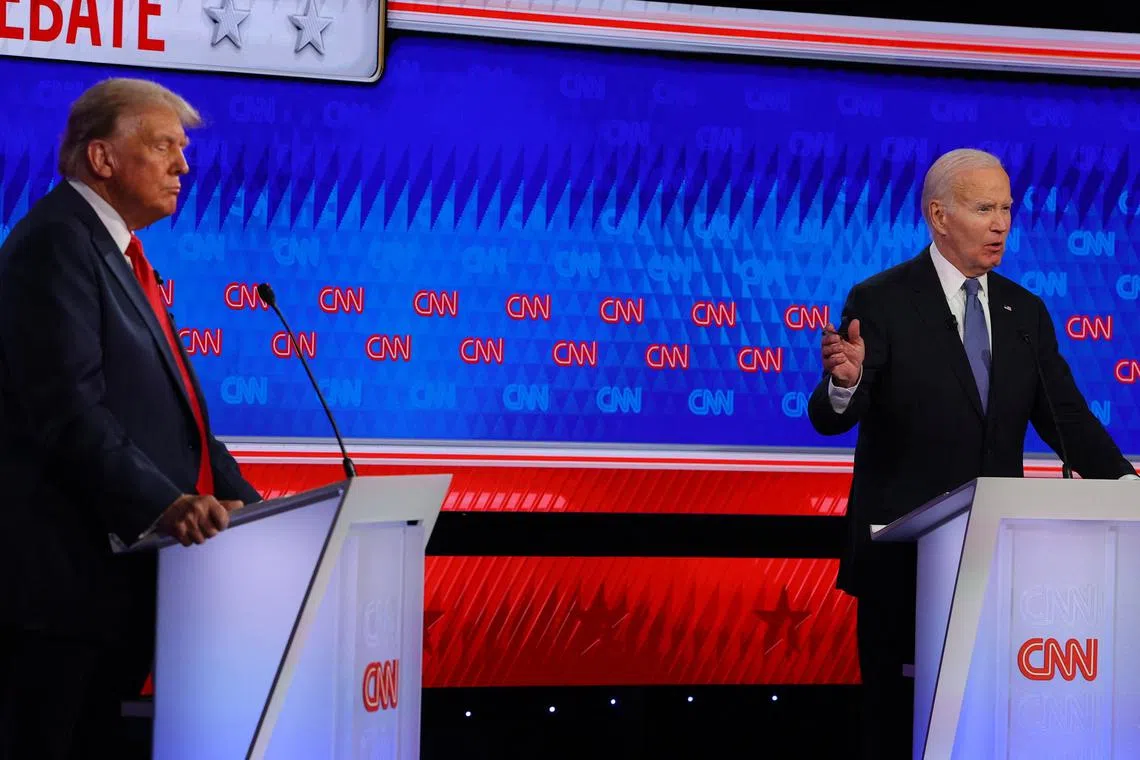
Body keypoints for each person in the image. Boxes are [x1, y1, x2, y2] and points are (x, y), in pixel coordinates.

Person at [807, 148, 1137, 759]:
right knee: (897, 729)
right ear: (938, 215)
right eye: (984, 208)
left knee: (984, 730)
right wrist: (845, 382)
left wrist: (1126, 485)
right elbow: (833, 416)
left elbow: (1065, 419)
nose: (1001, 223)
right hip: (902, 567)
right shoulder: (880, 300)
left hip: (995, 565)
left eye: (1007, 208)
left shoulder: (1024, 312)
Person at [0, 78, 261, 759]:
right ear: (102, 158)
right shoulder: (55, 243)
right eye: (164, 146)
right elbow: (69, 410)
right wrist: (166, 503)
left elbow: (176, 417)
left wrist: (254, 505)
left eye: (182, 149)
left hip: (112, 590)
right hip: (60, 594)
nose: (183, 166)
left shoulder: (112, 251)